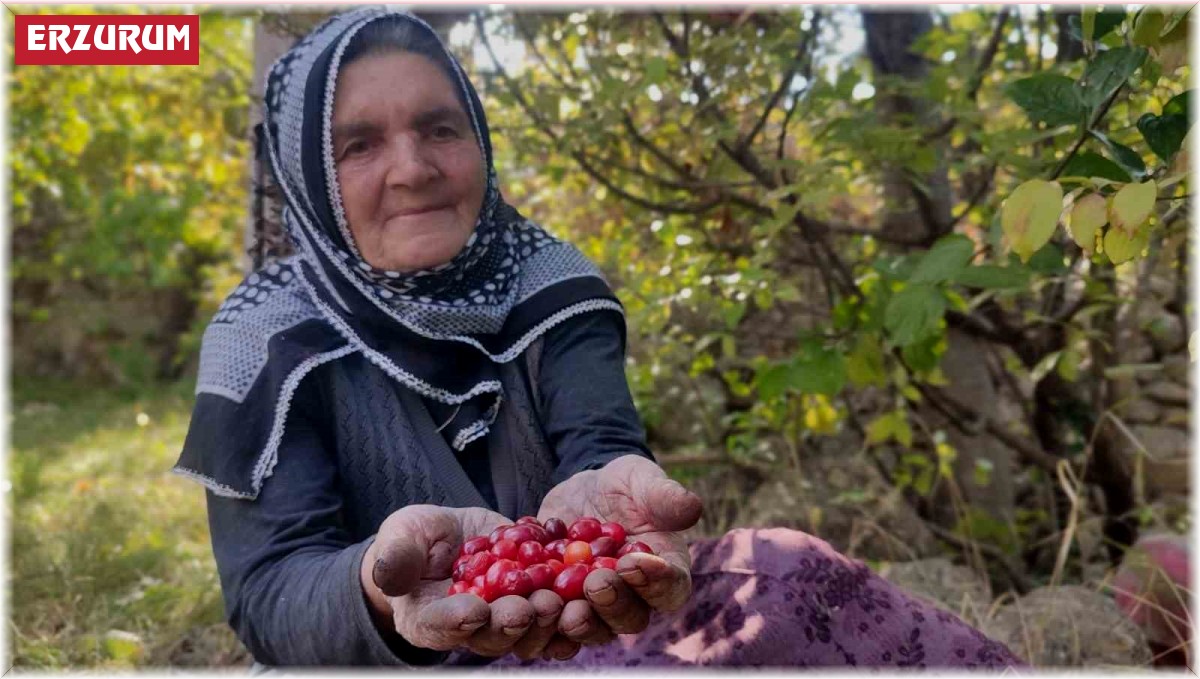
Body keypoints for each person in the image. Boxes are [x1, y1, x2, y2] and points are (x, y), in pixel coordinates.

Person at [174, 8, 1024, 669]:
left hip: (577, 634)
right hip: (371, 664)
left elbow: (599, 452)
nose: (413, 167)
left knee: (785, 572)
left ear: (479, 139)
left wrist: (608, 495)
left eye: (440, 127)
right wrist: (377, 588)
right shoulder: (264, 339)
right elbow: (269, 592)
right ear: (307, 177)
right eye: (358, 144)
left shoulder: (553, 288)